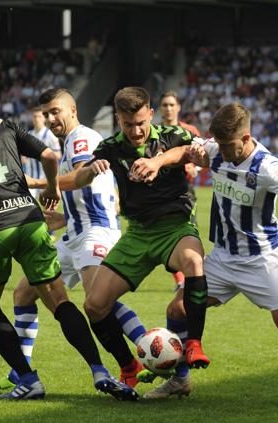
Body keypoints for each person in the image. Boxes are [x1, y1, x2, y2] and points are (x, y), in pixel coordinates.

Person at [135, 103, 278, 407]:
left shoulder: (268, 167)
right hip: (222, 258)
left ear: (246, 138)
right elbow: (186, 151)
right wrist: (159, 161)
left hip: (262, 261)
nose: (222, 151)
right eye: (218, 143)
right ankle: (180, 379)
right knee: (178, 310)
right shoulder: (217, 150)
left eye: (228, 145)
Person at [0, 84, 137, 401]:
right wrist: (51, 188)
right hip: (31, 221)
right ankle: (99, 371)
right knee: (59, 301)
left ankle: (28, 379)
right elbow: (49, 155)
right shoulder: (3, 125)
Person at [0, 88, 148, 392]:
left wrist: (38, 183)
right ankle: (21, 372)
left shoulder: (82, 138)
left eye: (56, 111)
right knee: (23, 293)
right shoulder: (69, 140)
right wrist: (65, 218)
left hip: (95, 231)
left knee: (98, 298)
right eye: (46, 114)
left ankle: (145, 351)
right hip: (74, 232)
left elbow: (86, 174)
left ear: (73, 109)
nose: (51, 118)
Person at [73, 87, 210, 380]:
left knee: (195, 263)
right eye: (127, 124)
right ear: (118, 119)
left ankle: (194, 344)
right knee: (94, 305)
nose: (135, 131)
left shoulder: (174, 135)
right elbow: (78, 177)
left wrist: (157, 161)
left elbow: (193, 152)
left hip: (175, 228)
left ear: (151, 113)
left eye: (140, 122)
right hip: (136, 234)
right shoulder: (110, 146)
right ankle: (128, 366)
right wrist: (88, 170)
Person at [159, 90, 201, 291]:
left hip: (185, 191)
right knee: (166, 236)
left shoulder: (190, 130)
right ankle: (181, 281)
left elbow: (204, 155)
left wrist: (196, 167)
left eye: (171, 105)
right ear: (159, 109)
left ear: (178, 107)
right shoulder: (153, 132)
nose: (168, 108)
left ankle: (192, 276)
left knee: (188, 234)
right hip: (160, 192)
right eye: (165, 105)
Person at [23, 106, 61, 199]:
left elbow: (59, 155)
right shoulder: (28, 134)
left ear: (44, 118)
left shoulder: (50, 134)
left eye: (39, 116)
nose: (36, 119)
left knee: (48, 206)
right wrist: (24, 156)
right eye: (34, 117)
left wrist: (43, 152)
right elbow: (23, 155)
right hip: (31, 176)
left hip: (45, 177)